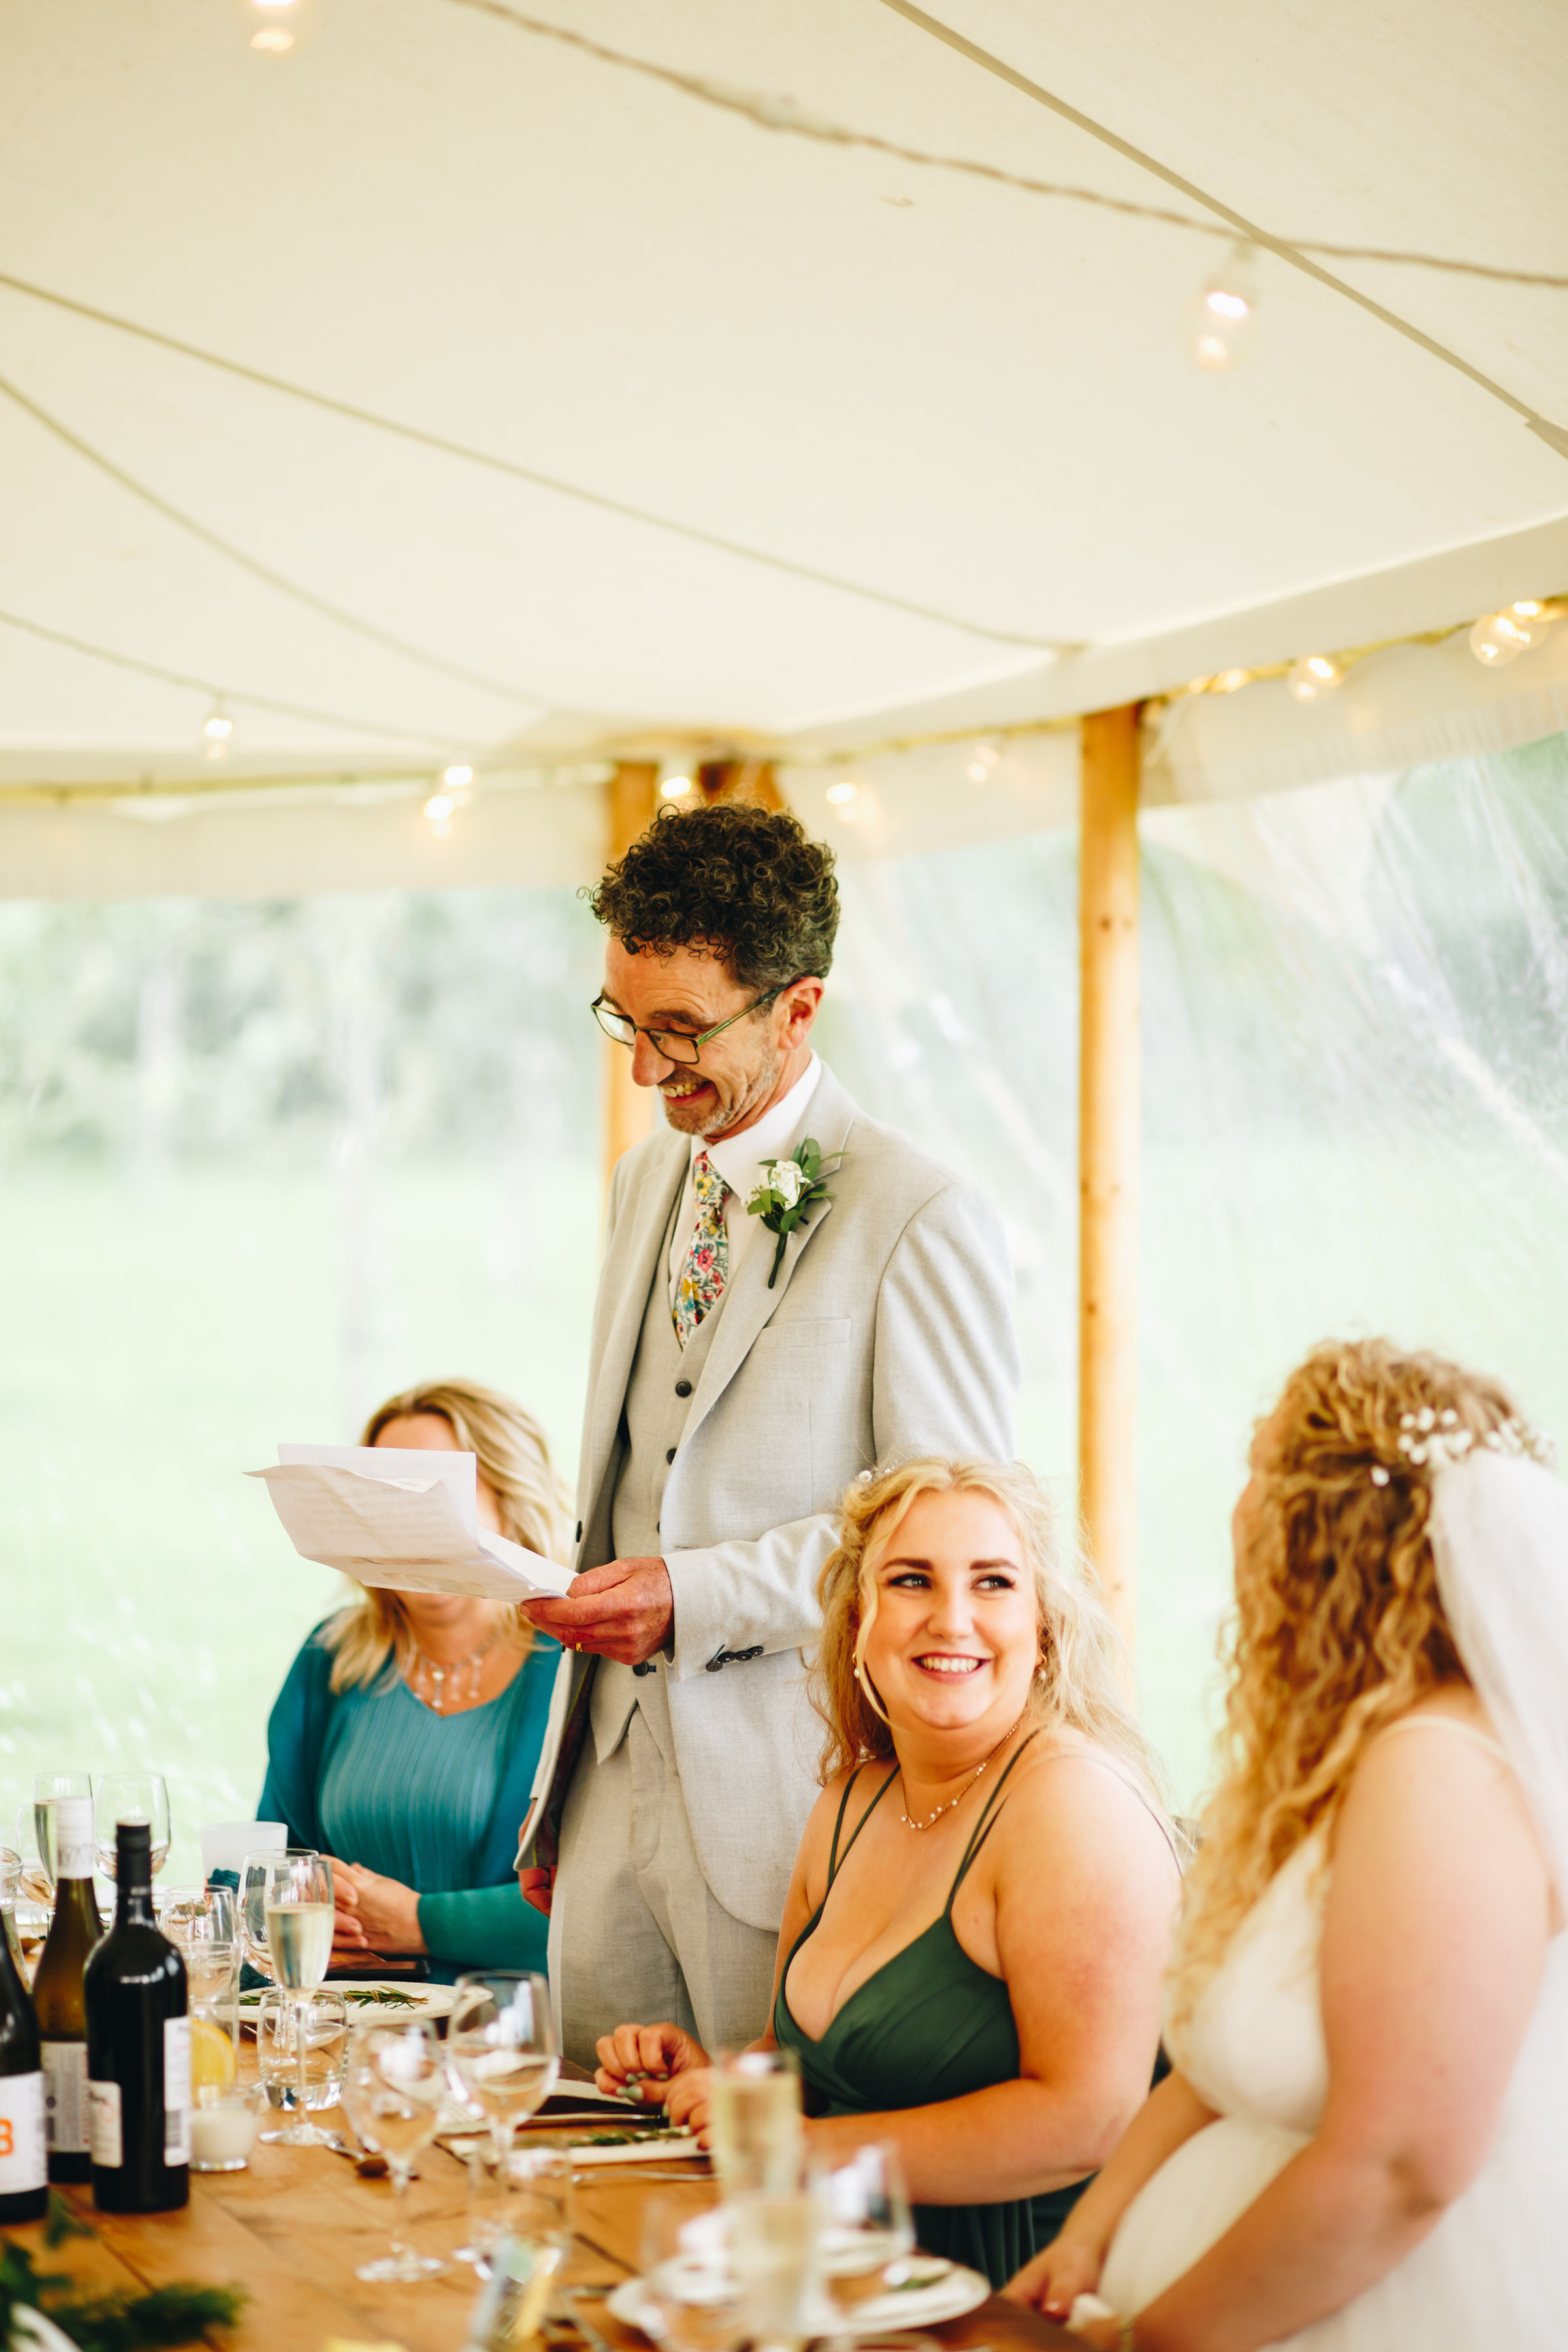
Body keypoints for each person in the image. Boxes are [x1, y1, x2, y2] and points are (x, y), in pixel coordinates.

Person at [519, 800, 1022, 2068]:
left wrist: (693, 1595)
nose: (643, 1067)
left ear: (799, 1008)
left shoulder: (921, 1215)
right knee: (589, 2147)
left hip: (787, 1803)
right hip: (600, 1780)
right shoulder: (647, 1182)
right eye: (625, 1023)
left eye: (681, 1030)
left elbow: (947, 1547)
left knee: (752, 2190)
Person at [1007, 1339, 1568, 2349]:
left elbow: (1403, 2166)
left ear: (1325, 1530)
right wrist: (1085, 2244)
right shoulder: (1342, 1759)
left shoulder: (1440, 1770)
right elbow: (1219, 2070)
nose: (1239, 1509)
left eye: (1259, 1472)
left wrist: (1151, 2340)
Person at [594, 1458, 1180, 2287]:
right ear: (859, 1621)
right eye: (911, 1581)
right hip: (826, 2272)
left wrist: (801, 2152)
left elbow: (1089, 2120)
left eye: (993, 1583)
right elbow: (797, 2060)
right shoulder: (852, 1802)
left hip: (1001, 2300)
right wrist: (719, 2085)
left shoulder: (1068, 1805)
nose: (952, 1619)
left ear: (1043, 1628)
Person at [261, 1379, 573, 1984]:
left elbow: (608, 1912)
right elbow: (262, 1866)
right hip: (342, 2029)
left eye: (433, 1492)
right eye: (379, 1496)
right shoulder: (331, 1658)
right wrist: (299, 1921)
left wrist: (419, 1923)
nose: (404, 1521)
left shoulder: (578, 1669)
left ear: (511, 1498)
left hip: (510, 2045)